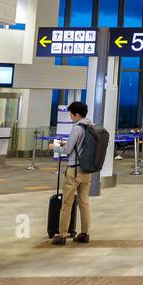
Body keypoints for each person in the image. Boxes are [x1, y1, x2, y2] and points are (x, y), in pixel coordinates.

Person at [52, 101, 93, 246]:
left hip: (74, 170)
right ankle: (84, 233)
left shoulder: (77, 128)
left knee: (67, 203)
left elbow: (68, 150)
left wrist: (55, 147)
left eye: (71, 114)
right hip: (87, 169)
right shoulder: (90, 126)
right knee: (84, 202)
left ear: (76, 114)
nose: (70, 117)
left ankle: (62, 234)